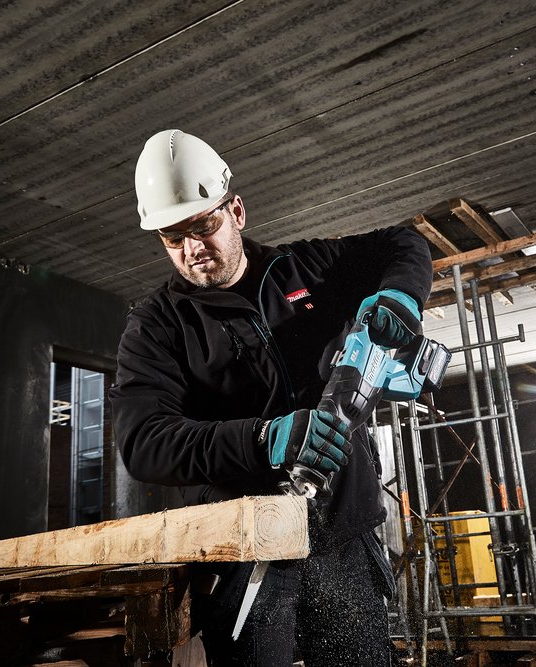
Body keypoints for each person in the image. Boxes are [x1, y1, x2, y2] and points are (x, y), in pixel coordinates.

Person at [110, 129, 432, 666]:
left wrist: (401, 296)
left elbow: (403, 243)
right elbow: (145, 443)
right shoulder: (157, 326)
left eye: (203, 226)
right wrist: (263, 440)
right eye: (172, 237)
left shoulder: (306, 268)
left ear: (235, 211)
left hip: (343, 530)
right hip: (245, 547)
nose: (192, 249)